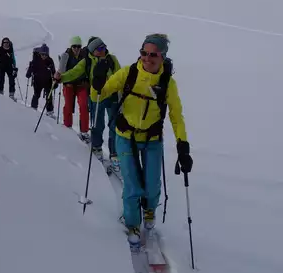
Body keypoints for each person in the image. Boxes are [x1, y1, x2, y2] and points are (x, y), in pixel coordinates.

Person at [98, 34, 193, 251]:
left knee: (152, 184)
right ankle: (132, 223)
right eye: (143, 53)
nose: (147, 58)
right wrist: (98, 81)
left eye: (153, 54)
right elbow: (103, 91)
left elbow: (177, 115)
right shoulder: (129, 73)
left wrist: (183, 146)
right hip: (125, 136)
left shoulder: (167, 83)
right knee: (132, 184)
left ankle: (149, 210)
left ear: (162, 57)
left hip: (152, 139)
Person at [62, 37, 121, 167]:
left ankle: (114, 152)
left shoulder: (112, 59)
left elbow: (120, 75)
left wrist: (122, 94)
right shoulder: (87, 61)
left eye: (104, 47)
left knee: (114, 126)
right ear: (93, 51)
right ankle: (97, 146)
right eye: (99, 48)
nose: (103, 50)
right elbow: (74, 72)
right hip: (96, 96)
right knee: (97, 123)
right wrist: (61, 78)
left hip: (113, 96)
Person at [55, 36, 90, 141]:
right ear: (71, 47)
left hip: (81, 84)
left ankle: (84, 131)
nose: (76, 49)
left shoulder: (85, 56)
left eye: (78, 46)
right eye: (74, 46)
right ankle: (67, 127)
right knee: (69, 106)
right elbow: (61, 70)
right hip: (69, 84)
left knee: (84, 106)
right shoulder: (66, 56)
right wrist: (58, 77)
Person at [26, 44, 56, 116]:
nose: (44, 56)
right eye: (42, 54)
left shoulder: (50, 61)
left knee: (49, 96)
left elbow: (53, 71)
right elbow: (31, 68)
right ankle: (33, 108)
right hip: (37, 81)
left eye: (46, 55)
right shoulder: (36, 60)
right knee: (36, 94)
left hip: (48, 81)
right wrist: (29, 73)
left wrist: (55, 81)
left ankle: (50, 111)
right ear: (40, 53)